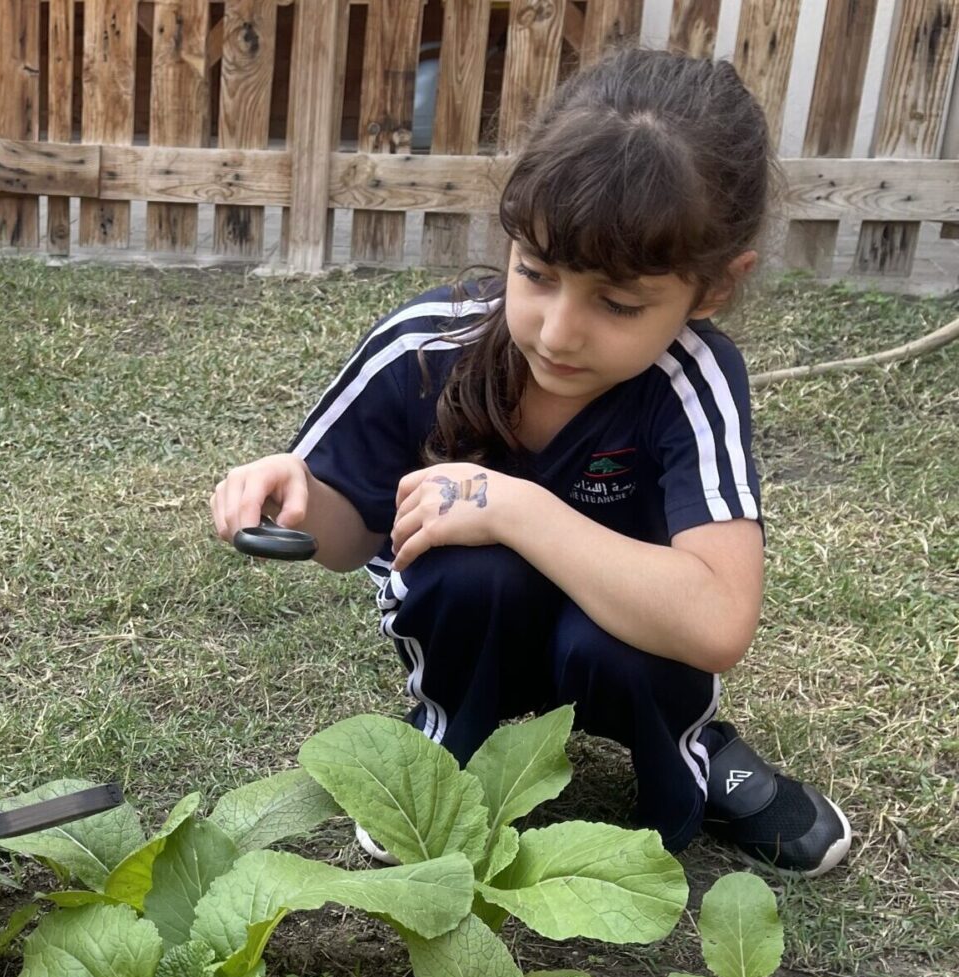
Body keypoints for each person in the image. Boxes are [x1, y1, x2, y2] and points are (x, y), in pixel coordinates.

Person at [211, 49, 850, 879]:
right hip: (475, 619)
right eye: (536, 274)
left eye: (618, 303)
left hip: (620, 634)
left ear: (714, 289)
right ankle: (444, 756)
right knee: (471, 576)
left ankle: (688, 761)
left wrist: (513, 507)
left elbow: (719, 620)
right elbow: (349, 530)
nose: (556, 331)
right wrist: (300, 499)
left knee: (621, 642)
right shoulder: (423, 347)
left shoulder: (693, 381)